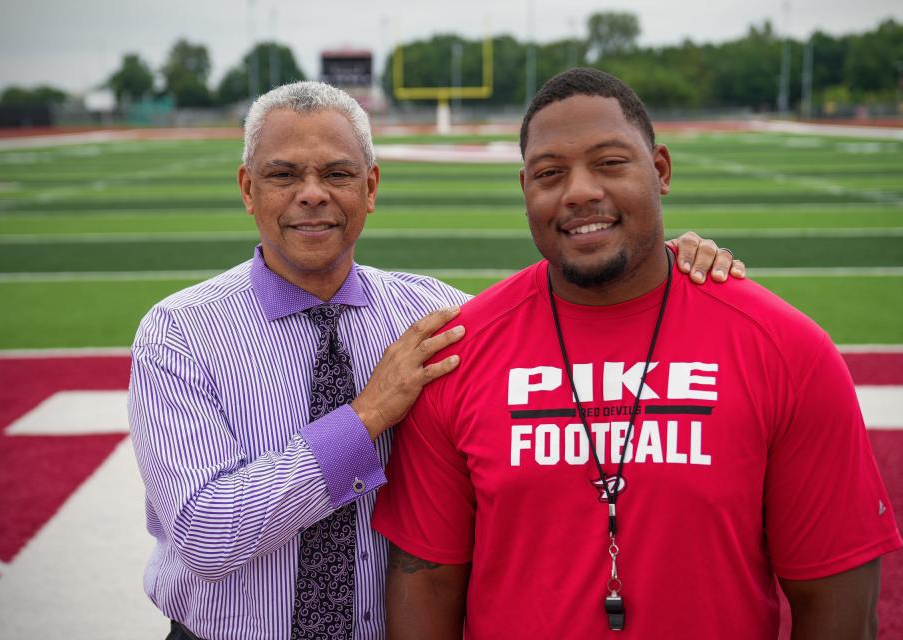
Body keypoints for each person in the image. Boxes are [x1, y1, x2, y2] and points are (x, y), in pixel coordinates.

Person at [127, 80, 743, 640]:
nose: (311, 195)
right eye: (284, 174)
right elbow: (206, 534)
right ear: (247, 189)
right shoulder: (179, 333)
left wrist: (665, 262)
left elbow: (580, 332)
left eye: (337, 174)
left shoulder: (439, 316)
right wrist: (364, 418)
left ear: (370, 190)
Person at [373, 68, 903, 640]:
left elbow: (839, 607)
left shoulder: (785, 349)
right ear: (524, 188)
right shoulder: (460, 354)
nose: (579, 191)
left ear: (661, 170)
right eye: (551, 174)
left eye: (609, 162)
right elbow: (426, 590)